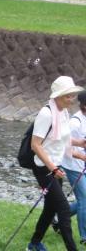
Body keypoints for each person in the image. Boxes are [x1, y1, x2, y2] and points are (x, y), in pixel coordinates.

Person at [28, 76, 86, 251]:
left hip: (56, 167)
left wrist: (80, 144)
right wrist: (52, 167)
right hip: (44, 167)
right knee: (63, 210)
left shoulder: (64, 112)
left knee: (50, 208)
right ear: (57, 96)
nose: (71, 99)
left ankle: (34, 244)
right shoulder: (46, 113)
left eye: (72, 95)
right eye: (67, 96)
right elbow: (35, 145)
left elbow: (63, 140)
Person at [62, 91, 86, 245]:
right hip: (73, 166)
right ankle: (84, 237)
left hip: (83, 165)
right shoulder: (75, 122)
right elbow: (65, 148)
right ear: (84, 105)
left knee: (84, 199)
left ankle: (59, 217)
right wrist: (83, 157)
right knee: (84, 199)